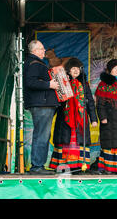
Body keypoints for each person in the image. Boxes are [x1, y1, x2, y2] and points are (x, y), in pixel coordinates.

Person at [50, 57, 98, 173]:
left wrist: (93, 119)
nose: (76, 71)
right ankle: (64, 165)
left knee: (79, 141)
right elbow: (57, 101)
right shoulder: (63, 83)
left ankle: (79, 166)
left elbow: (90, 102)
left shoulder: (84, 84)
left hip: (81, 118)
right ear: (68, 71)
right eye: (73, 69)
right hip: (65, 118)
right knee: (66, 140)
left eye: (78, 69)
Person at [23, 40, 60, 175]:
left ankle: (38, 165)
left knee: (42, 134)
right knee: (41, 135)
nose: (44, 51)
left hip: (42, 103)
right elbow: (30, 82)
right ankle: (37, 166)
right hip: (41, 104)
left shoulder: (35, 63)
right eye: (41, 49)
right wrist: (49, 85)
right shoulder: (34, 63)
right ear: (34, 51)